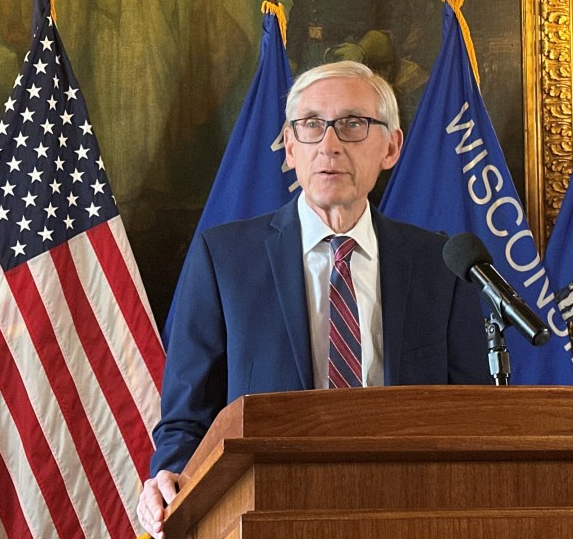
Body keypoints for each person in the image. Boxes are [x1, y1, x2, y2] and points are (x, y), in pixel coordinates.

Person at [136, 61, 490, 537]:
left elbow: (471, 414)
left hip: (406, 514)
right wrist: (168, 476)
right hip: (267, 512)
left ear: (391, 147)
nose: (329, 144)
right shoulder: (224, 259)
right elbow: (187, 417)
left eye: (353, 124)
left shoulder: (439, 264)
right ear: (289, 146)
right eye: (310, 125)